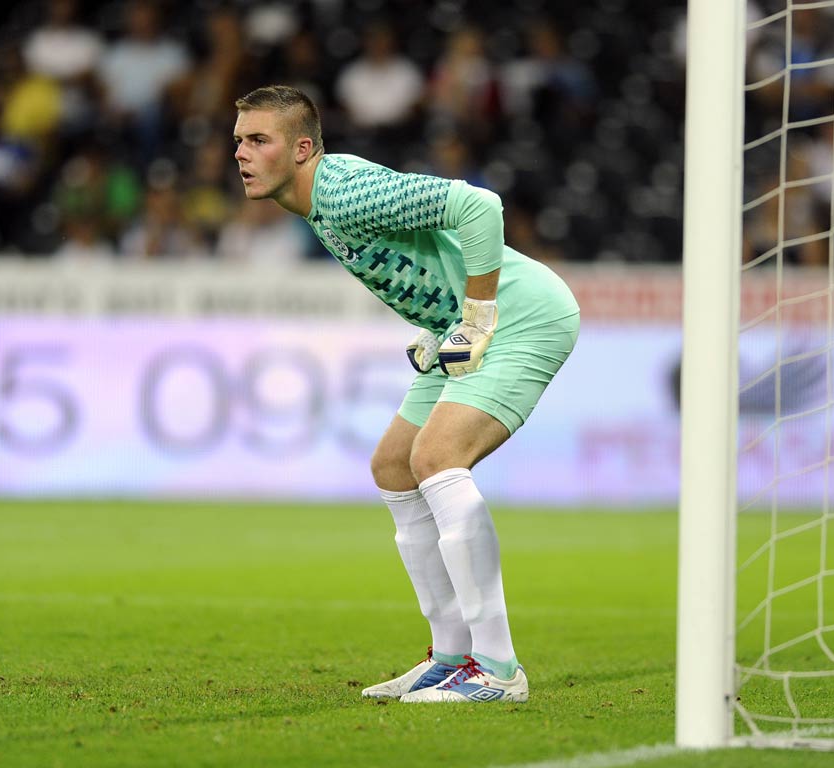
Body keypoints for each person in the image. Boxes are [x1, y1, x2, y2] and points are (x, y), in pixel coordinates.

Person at [233, 85, 580, 703]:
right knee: (394, 466)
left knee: (436, 458)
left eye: (260, 140)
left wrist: (476, 317)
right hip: (468, 325)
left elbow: (479, 207)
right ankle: (450, 656)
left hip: (523, 315)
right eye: (239, 141)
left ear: (304, 148)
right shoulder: (316, 205)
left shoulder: (341, 189)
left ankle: (498, 671)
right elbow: (429, 255)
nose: (242, 153)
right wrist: (437, 327)